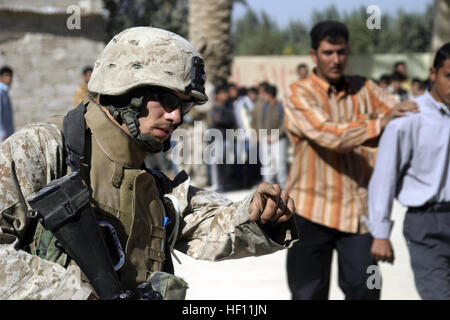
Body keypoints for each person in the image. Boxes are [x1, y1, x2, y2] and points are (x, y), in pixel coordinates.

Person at [0, 27, 298, 300]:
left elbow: (205, 221)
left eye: (184, 105)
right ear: (125, 89)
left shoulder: (152, 180)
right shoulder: (42, 148)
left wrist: (259, 215)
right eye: (168, 100)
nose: (176, 116)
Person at [283, 20, 418, 300]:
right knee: (307, 294)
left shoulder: (365, 89)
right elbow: (328, 134)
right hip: (310, 212)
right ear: (313, 55)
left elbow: (402, 116)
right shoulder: (299, 93)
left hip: (358, 216)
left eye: (341, 52)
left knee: (367, 291)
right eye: (328, 52)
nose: (336, 60)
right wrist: (378, 124)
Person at [367, 42, 450, 300]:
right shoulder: (409, 119)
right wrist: (380, 234)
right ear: (433, 73)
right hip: (427, 223)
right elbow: (385, 176)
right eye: (449, 76)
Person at [256, 84, 288, 189]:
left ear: (269, 94)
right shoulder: (264, 106)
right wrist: (263, 135)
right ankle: (268, 188)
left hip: (279, 139)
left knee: (280, 165)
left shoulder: (280, 106)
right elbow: (260, 122)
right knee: (267, 165)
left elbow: (285, 123)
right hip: (266, 139)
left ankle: (284, 188)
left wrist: (276, 135)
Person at [0, 66, 14, 142]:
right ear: (1, 77)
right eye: (6, 75)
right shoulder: (1, 92)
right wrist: (2, 133)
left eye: (10, 76)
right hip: (3, 136)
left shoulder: (5, 92)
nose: (9, 78)